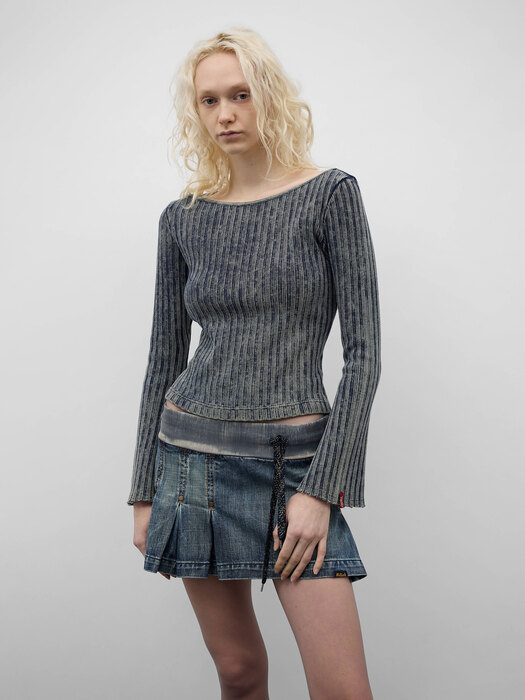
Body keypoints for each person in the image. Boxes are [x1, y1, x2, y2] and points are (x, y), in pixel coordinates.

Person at [128, 27, 381, 700]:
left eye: (240, 95)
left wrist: (322, 490)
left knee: (343, 691)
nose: (225, 114)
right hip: (191, 465)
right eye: (209, 100)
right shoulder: (182, 219)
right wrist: (143, 491)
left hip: (293, 469)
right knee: (239, 673)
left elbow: (363, 357)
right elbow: (163, 359)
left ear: (269, 95)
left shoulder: (329, 195)